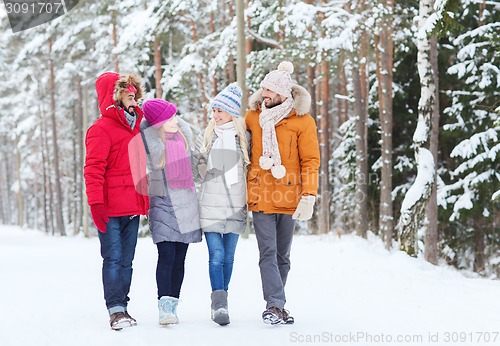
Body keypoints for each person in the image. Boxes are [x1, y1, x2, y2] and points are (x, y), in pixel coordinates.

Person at [245, 61, 320, 325]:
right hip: (261, 193)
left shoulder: (302, 121)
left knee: (282, 256)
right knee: (267, 252)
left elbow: (310, 160)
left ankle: (277, 304)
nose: (264, 93)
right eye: (263, 88)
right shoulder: (253, 117)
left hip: (289, 195)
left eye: (270, 90)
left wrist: (309, 195)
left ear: (282, 94)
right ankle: (275, 305)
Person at [84, 72, 149, 330]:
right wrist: (96, 204)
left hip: (131, 206)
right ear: (114, 96)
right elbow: (93, 169)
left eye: (134, 93)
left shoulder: (135, 127)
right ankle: (116, 310)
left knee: (127, 260)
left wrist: (144, 200)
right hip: (110, 208)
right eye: (127, 92)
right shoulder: (100, 130)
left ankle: (123, 305)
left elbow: (139, 167)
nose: (132, 96)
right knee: (113, 258)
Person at [139, 99, 202, 326]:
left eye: (175, 116)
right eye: (169, 119)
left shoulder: (183, 140)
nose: (176, 121)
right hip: (163, 205)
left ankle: (173, 304)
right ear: (157, 124)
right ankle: (163, 307)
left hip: (186, 206)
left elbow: (199, 171)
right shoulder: (151, 145)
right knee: (166, 257)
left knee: (180, 259)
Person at [192, 83, 249, 326]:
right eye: (214, 111)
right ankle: (220, 305)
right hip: (210, 206)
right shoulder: (206, 137)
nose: (215, 116)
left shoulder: (244, 139)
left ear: (232, 114)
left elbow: (250, 170)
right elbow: (196, 173)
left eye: (220, 111)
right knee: (216, 255)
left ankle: (221, 299)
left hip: (235, 206)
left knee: (229, 257)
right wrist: (203, 164)